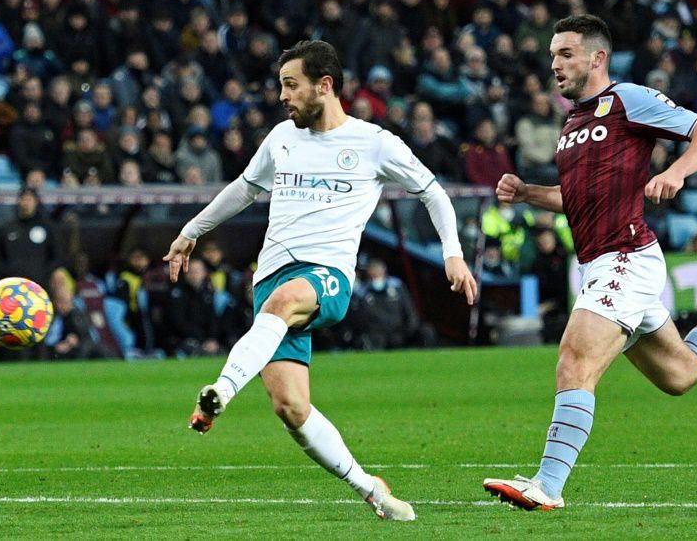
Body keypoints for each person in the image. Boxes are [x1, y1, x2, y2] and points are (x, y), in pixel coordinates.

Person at [483, 14, 697, 511]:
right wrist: (527, 193)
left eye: (565, 53)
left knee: (574, 359)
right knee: (681, 373)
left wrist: (677, 172)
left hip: (625, 258)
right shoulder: (573, 122)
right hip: (603, 265)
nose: (553, 64)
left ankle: (547, 486)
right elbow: (576, 197)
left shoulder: (629, 99)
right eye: (553, 54)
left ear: (596, 58)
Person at [163, 40, 476, 521]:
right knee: (291, 407)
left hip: (326, 277)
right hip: (270, 284)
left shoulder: (374, 143)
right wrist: (190, 232)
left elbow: (433, 193)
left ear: (324, 85)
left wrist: (452, 254)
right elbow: (244, 189)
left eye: (291, 85)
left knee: (287, 300)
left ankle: (219, 392)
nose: (283, 96)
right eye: (280, 86)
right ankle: (372, 490)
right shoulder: (281, 138)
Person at [0, 187, 61, 291]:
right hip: (13, 288)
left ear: (36, 202)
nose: (26, 203)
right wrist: (8, 274)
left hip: (39, 287)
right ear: (19, 202)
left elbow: (56, 256)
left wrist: (43, 274)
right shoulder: (7, 229)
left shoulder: (47, 228)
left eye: (30, 200)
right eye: (24, 199)